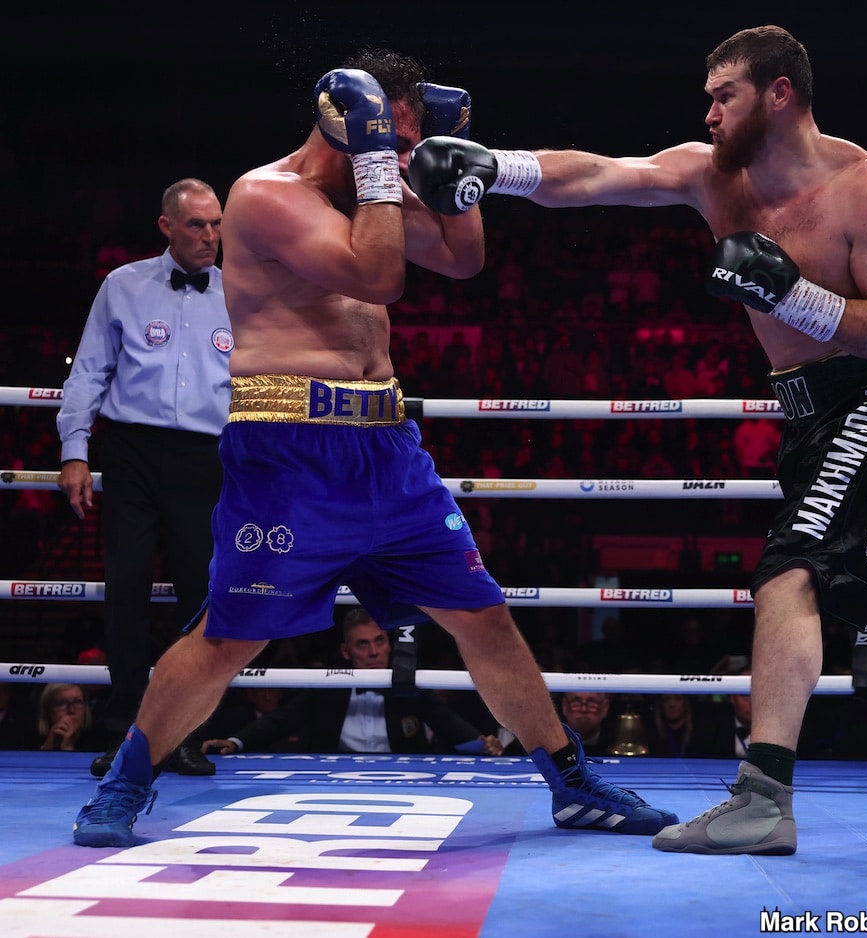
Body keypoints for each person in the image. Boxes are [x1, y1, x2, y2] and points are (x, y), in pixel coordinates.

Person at [409, 25, 867, 854]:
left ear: (779, 94)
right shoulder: (711, 175)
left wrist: (790, 294)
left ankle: (764, 794)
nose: (707, 111)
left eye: (722, 94)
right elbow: (596, 175)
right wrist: (495, 167)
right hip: (807, 411)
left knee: (789, 573)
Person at [72, 51, 676, 848]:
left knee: (483, 616)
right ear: (347, 121)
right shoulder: (263, 196)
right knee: (229, 636)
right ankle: (125, 782)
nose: (405, 154)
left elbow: (462, 259)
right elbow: (380, 275)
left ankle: (571, 782)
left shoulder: (368, 190)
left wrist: (458, 175)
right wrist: (379, 167)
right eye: (397, 134)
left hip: (389, 451)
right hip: (288, 453)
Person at [57, 177, 229, 779]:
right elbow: (88, 373)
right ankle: (128, 735)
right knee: (126, 589)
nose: (210, 237)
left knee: (200, 599)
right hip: (130, 452)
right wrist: (74, 450)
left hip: (209, 457)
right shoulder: (123, 286)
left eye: (216, 224)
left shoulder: (243, 291)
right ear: (167, 227)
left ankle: (185, 735)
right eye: (196, 226)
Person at [202, 608, 502, 755]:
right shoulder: (327, 689)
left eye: (378, 641)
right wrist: (235, 742)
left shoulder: (408, 688)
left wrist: (482, 744)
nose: (373, 652)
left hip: (404, 784)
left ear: (389, 644)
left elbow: (445, 721)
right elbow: (281, 720)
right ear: (346, 651)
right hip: (334, 783)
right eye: (362, 645)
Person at [36, 683, 107, 753]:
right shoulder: (31, 743)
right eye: (62, 703)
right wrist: (47, 749)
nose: (71, 710)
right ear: (48, 712)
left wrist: (68, 748)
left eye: (77, 702)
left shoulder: (101, 744)